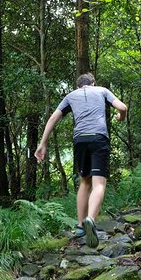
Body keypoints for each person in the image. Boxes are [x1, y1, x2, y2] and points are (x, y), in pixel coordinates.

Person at [35, 73, 127, 248]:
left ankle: (79, 226)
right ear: (93, 83)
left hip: (80, 139)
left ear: (78, 86)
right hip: (99, 137)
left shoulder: (70, 96)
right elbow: (122, 107)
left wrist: (42, 144)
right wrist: (120, 117)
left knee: (85, 182)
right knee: (99, 183)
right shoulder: (102, 91)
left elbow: (53, 117)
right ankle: (91, 219)